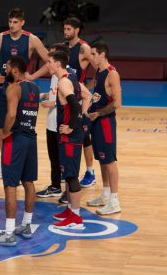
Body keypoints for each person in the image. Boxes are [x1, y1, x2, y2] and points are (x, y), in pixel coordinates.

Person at [0, 8, 50, 180]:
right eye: (10, 22)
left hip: (22, 91)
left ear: (22, 22)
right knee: (1, 128)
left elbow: (49, 61)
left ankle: (21, 164)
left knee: (20, 129)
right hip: (5, 89)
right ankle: (4, 162)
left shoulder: (32, 40)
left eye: (16, 22)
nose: (12, 25)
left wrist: (33, 76)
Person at [0, 55, 40, 247]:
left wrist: (4, 133)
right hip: (31, 138)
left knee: (10, 184)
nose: (5, 70)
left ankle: (9, 233)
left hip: (16, 139)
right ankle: (26, 224)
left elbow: (11, 114)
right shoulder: (34, 88)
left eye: (8, 68)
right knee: (28, 182)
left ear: (15, 71)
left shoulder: (13, 87)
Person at [48, 50, 92, 229]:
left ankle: (76, 217)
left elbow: (74, 105)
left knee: (72, 176)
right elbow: (86, 95)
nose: (48, 65)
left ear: (58, 64)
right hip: (70, 136)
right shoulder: (71, 77)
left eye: (50, 62)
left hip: (70, 137)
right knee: (67, 173)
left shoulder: (64, 82)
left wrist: (71, 127)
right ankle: (69, 209)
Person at [86, 41, 123, 215]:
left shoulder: (112, 74)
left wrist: (99, 114)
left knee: (109, 160)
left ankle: (115, 201)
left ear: (102, 54)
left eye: (93, 54)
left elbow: (117, 103)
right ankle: (106, 194)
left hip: (106, 122)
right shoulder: (98, 72)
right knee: (101, 159)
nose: (90, 58)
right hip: (96, 120)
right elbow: (92, 93)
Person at [36, 43, 75, 200]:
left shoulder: (69, 75)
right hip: (51, 122)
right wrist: (46, 95)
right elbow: (56, 94)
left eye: (51, 57)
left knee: (64, 159)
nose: (48, 62)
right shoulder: (54, 75)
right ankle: (55, 186)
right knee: (54, 158)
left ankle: (69, 190)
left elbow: (74, 100)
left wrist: (52, 103)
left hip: (61, 122)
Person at [63, 17, 97, 189]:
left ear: (77, 30)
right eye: (64, 29)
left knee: (84, 137)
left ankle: (90, 172)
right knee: (67, 134)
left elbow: (99, 67)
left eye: (69, 29)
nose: (66, 32)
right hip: (67, 99)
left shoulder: (84, 48)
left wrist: (88, 87)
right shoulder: (63, 48)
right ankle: (68, 170)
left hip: (81, 100)